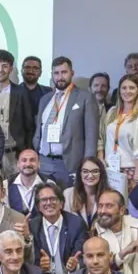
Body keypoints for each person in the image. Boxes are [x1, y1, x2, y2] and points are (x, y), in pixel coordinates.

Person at [33, 56, 98, 187]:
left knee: (68, 198)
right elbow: (39, 129)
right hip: (44, 162)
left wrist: (88, 165)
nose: (60, 77)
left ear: (71, 73)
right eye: (56, 73)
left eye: (64, 72)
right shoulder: (45, 99)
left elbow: (91, 135)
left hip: (69, 162)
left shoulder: (85, 97)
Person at [0, 50, 34, 176]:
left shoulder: (21, 93)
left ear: (11, 69)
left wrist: (27, 152)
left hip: (16, 154)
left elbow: (29, 126)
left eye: (5, 66)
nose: (0, 70)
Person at [29, 182, 87, 274]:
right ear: (38, 206)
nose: (49, 203)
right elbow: (30, 261)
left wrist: (76, 265)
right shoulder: (32, 226)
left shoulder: (76, 224)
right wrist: (40, 266)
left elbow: (83, 256)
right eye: (44, 200)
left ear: (61, 203)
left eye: (53, 199)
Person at [103, 74, 138, 191]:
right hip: (110, 170)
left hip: (130, 171)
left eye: (132, 88)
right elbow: (104, 139)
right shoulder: (112, 112)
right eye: (124, 88)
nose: (127, 91)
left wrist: (137, 178)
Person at [63, 157, 109, 228]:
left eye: (95, 171)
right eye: (85, 171)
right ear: (80, 174)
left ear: (101, 174)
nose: (90, 175)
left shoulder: (110, 195)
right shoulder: (68, 194)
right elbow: (66, 223)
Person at [3, 149, 52, 216]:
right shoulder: (6, 185)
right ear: (18, 164)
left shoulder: (49, 184)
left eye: (32, 160)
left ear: (39, 164)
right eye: (24, 160)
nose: (28, 164)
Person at [19, 56, 51, 128]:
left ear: (40, 72)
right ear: (21, 70)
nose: (30, 71)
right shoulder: (13, 92)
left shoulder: (49, 93)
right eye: (27, 67)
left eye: (35, 68)